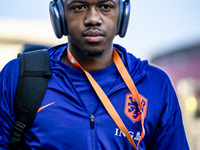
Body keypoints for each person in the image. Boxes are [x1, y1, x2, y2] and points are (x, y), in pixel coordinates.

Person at [0, 0, 189, 149]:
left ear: (122, 14)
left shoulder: (154, 84)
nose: (92, 18)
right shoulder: (19, 76)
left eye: (105, 6)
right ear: (59, 16)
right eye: (79, 7)